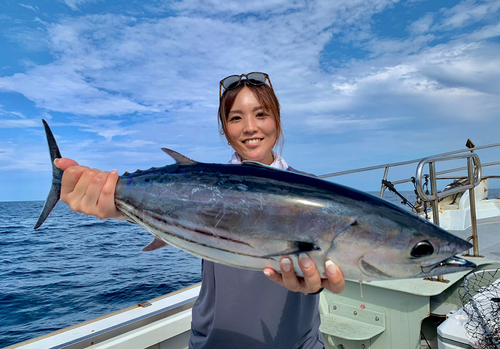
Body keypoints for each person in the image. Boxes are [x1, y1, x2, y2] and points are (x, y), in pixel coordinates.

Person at [55, 72, 345, 348]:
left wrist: (318, 282)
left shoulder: (314, 191)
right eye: (236, 118)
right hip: (213, 343)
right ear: (225, 129)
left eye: (261, 114)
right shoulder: (199, 187)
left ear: (277, 121)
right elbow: (166, 210)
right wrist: (111, 201)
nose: (250, 127)